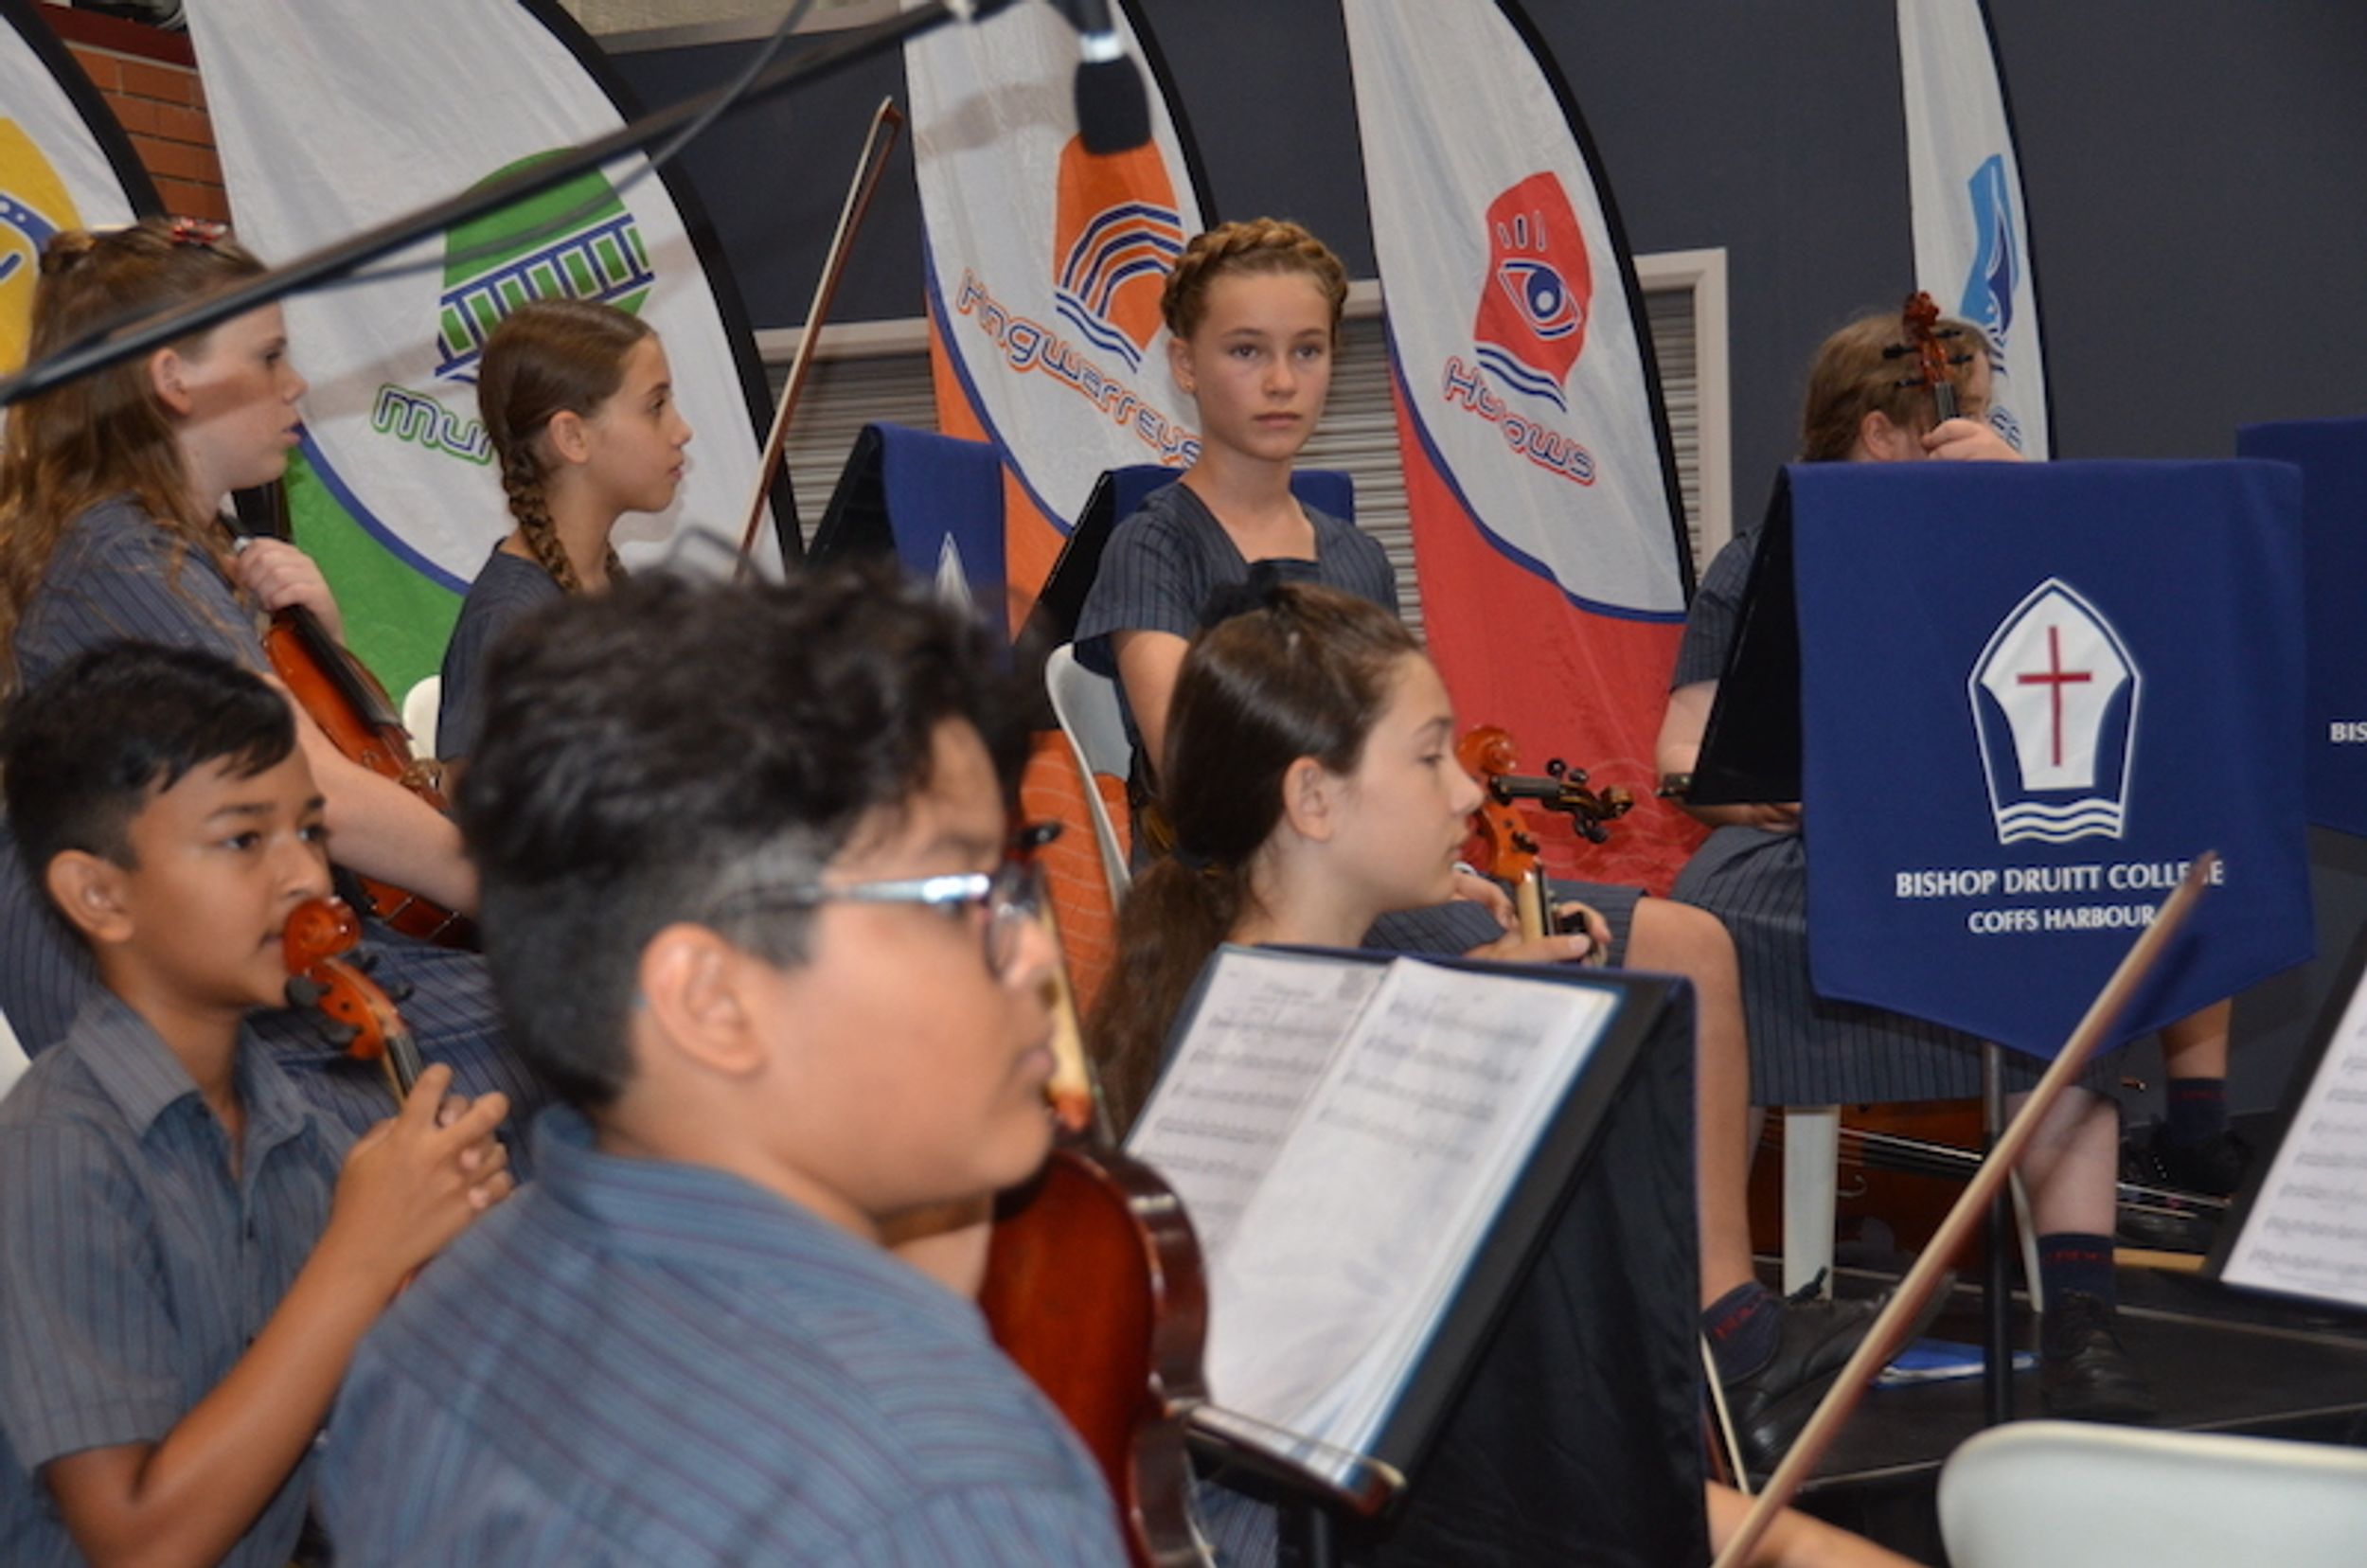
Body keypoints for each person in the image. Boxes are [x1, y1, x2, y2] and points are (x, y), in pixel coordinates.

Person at [1075, 218, 1874, 1469]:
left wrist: (1453, 866)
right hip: (1264, 896)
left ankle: (1726, 1326)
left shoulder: (1350, 552)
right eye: (1244, 351)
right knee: (1570, 972)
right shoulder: (1155, 544)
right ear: (1182, 363)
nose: (1280, 381)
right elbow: (1206, 768)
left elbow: (1393, 749)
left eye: (1305, 351)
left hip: (1378, 879)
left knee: (1692, 945)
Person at [1091, 580, 1919, 1566]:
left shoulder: (1250, 993)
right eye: (1428, 756)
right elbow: (1509, 1458)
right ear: (1312, 799)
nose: (1468, 793)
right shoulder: (1317, 1048)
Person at [316, 567, 1127, 1563]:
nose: (1036, 954)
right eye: (960, 896)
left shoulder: (434, 1326)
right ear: (710, 999)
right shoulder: (950, 1489)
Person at [1657, 306, 2195, 1418]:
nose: (1978, 428)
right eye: (1965, 412)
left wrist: (2029, 510)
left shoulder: (2008, 540)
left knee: (2064, 942)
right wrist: (1754, 791)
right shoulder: (1756, 562)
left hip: (1970, 864)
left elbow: (2126, 652)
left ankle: (2082, 1320)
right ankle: (1728, 1317)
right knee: (1707, 928)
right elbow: (1682, 754)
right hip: (1805, 868)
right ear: (1882, 432)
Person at [0, 218, 549, 1163]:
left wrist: (322, 641)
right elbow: (317, 792)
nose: (294, 383)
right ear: (173, 380)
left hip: (237, 981)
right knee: (585, 1034)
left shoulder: (159, 552)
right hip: (174, 1032)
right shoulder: (122, 559)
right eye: (268, 357)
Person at [0, 642, 510, 1566]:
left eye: (309, 832)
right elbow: (139, 1543)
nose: (307, 878)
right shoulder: (58, 1154)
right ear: (98, 894)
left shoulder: (288, 1119)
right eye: (244, 841)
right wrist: (363, 1254)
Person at [434, 297, 691, 763]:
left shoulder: (607, 585)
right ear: (573, 437)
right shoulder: (508, 622)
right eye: (656, 406)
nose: (681, 430)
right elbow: (476, 799)